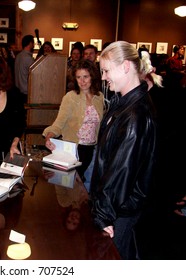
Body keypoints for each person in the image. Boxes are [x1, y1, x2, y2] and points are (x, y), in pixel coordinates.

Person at [89, 41, 158, 260]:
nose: (103, 77)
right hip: (117, 209)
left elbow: (121, 172)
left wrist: (103, 217)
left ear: (126, 66)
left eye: (107, 70)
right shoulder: (123, 102)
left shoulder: (134, 115)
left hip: (120, 213)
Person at [43, 59, 104, 181]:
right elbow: (59, 123)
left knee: (86, 185)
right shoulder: (70, 97)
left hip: (92, 149)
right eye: (78, 77)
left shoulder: (99, 97)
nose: (82, 81)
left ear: (92, 76)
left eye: (85, 76)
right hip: (73, 149)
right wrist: (49, 136)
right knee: (69, 185)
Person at [14, 34, 35, 102]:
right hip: (26, 91)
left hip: (18, 91)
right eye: (33, 43)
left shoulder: (18, 56)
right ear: (30, 43)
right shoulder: (28, 58)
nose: (34, 44)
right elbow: (34, 75)